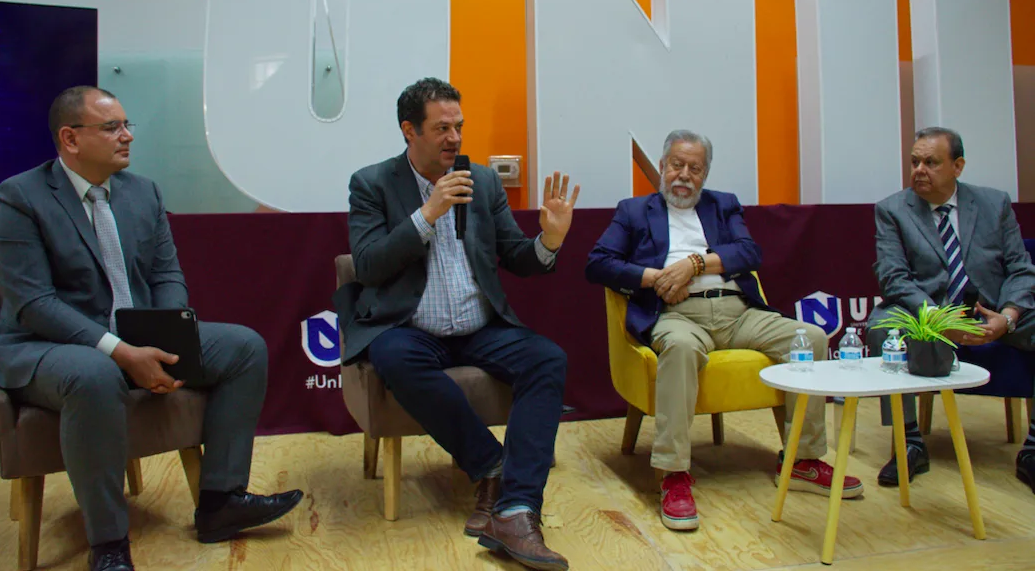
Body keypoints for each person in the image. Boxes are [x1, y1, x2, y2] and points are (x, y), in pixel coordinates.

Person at [0, 86, 303, 571]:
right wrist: (119, 351)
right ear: (70, 138)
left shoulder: (142, 192)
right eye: (112, 127)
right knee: (93, 375)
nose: (127, 135)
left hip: (132, 336)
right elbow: (35, 304)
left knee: (244, 347)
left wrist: (166, 336)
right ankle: (109, 544)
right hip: (46, 345)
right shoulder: (19, 198)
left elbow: (165, 274)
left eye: (127, 125)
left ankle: (221, 502)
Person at [334, 77, 577, 571]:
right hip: (410, 327)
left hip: (479, 326)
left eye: (459, 127)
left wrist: (548, 241)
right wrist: (428, 213)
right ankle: (491, 465)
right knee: (392, 357)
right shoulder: (372, 184)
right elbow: (370, 264)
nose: (455, 138)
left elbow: (514, 255)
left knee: (547, 358)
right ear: (409, 131)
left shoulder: (481, 181)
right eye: (441, 128)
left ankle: (515, 509)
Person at [585, 130, 863, 532]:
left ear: (705, 174)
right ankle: (673, 473)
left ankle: (803, 459)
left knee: (811, 339)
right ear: (662, 167)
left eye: (695, 168)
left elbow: (749, 253)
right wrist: (655, 277)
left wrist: (695, 264)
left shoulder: (723, 204)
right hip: (677, 314)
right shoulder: (634, 211)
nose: (684, 175)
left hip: (737, 312)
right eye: (676, 165)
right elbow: (598, 263)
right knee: (680, 349)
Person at [867, 127, 1035, 489]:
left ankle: (1033, 450)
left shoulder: (994, 204)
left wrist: (1008, 317)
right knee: (883, 326)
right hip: (927, 312)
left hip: (990, 311)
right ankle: (909, 443)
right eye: (914, 162)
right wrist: (939, 320)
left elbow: (1021, 269)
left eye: (931, 162)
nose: (919, 170)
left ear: (957, 166)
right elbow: (894, 278)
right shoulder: (892, 210)